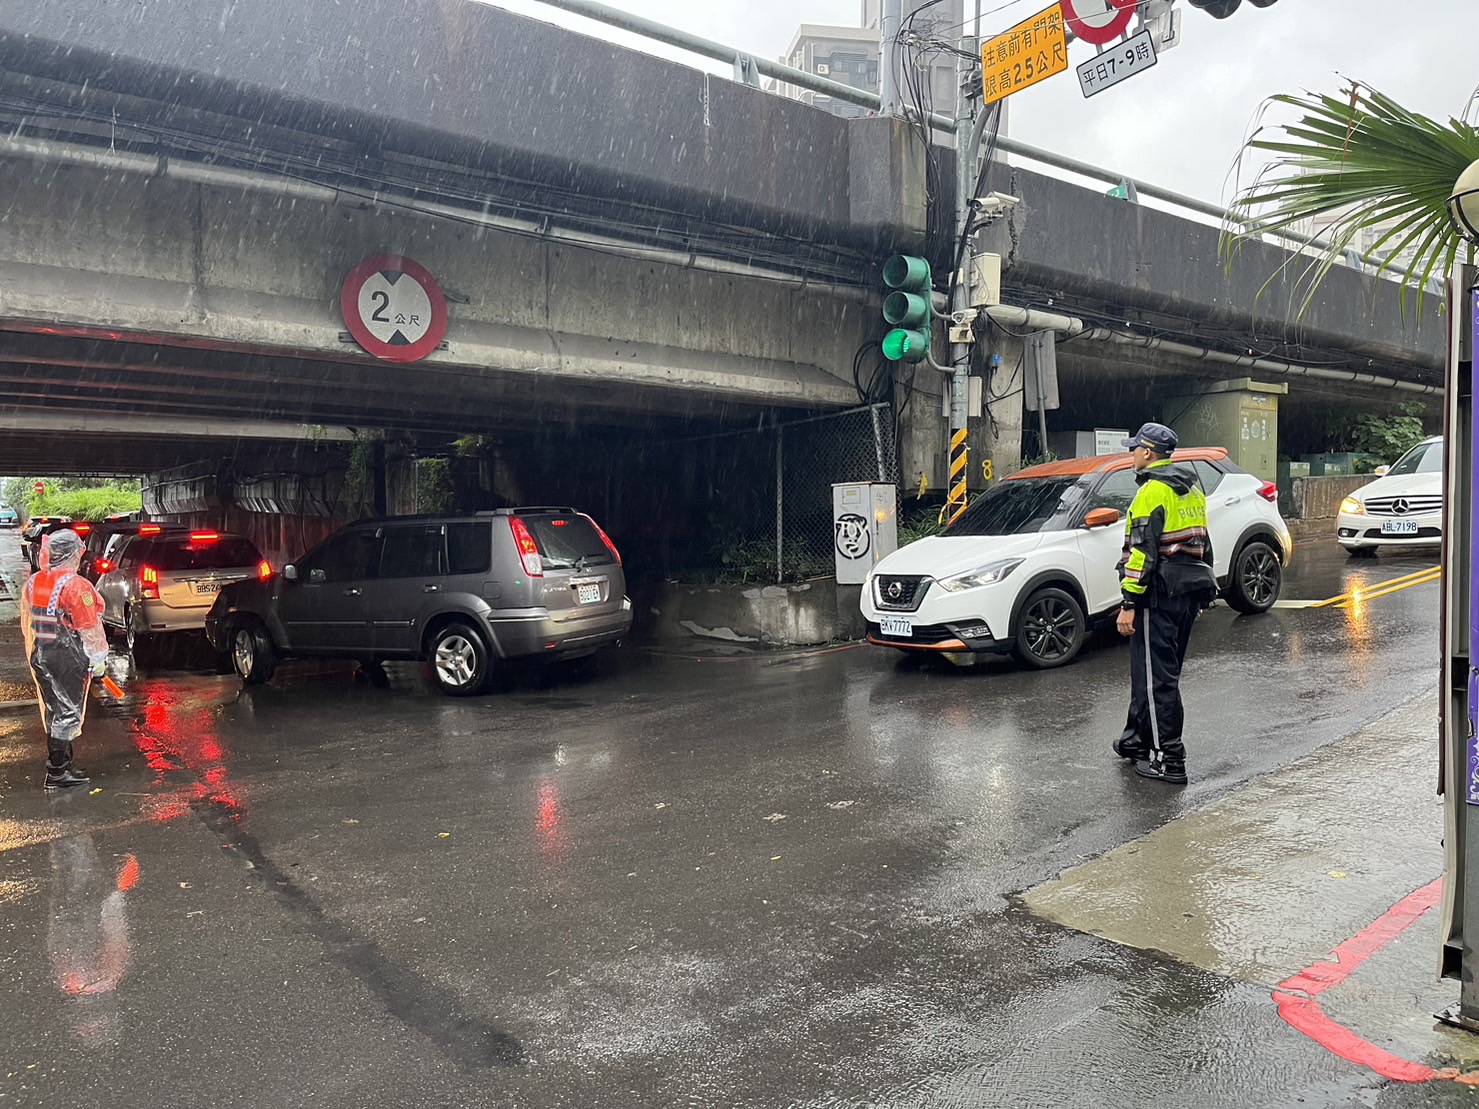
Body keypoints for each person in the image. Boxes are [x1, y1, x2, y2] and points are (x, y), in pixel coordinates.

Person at [1111, 423, 1218, 785]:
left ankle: (1169, 759)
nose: (1132, 455)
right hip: (1186, 593)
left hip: (1155, 597)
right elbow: (1204, 545)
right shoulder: (1191, 490)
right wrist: (1203, 595)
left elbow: (1140, 554)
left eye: (1134, 450)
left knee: (1156, 680)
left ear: (1147, 453)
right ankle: (1136, 740)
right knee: (1156, 674)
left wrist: (1129, 603)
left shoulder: (1151, 494)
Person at [21, 529, 109, 789]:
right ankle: (58, 771)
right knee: (68, 712)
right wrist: (98, 657)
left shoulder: (35, 581)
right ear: (71, 555)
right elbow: (88, 625)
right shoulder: (76, 585)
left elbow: (28, 619)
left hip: (42, 653)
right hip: (67, 656)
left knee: (54, 710)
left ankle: (63, 765)